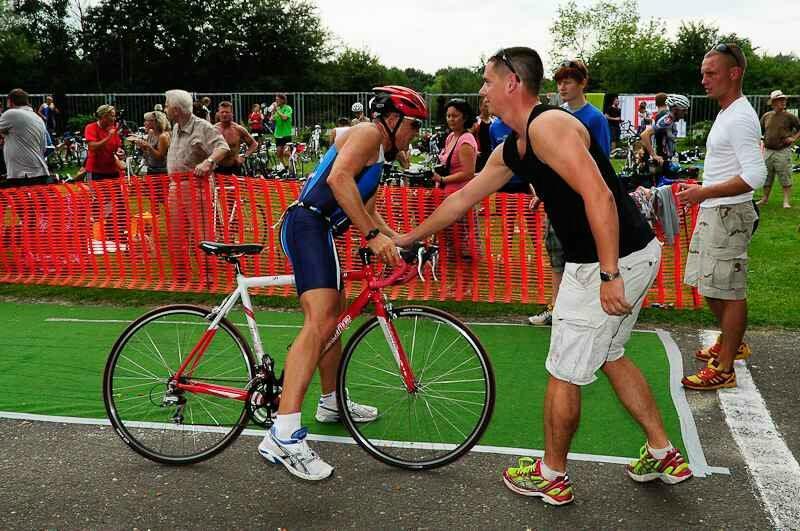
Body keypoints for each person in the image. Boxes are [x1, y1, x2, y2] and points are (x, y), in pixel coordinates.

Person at [394, 47, 692, 505]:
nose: (482, 90)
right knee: (610, 354)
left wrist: (609, 273)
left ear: (512, 83)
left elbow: (600, 196)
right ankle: (663, 452)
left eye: (487, 81)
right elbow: (461, 200)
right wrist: (406, 238)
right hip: (628, 256)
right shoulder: (514, 147)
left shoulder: (548, 126)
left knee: (563, 372)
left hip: (604, 264)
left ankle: (552, 474)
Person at [258, 85, 427, 481]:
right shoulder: (368, 133)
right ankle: (283, 434)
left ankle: (331, 401)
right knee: (320, 321)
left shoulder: (380, 155)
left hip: (319, 229)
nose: (416, 134)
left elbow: (367, 210)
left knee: (333, 318)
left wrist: (402, 241)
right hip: (308, 224)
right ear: (392, 119)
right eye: (414, 125)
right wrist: (372, 236)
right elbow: (338, 180)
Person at [678, 43, 767, 390]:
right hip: (716, 209)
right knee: (711, 286)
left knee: (728, 291)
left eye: (711, 73)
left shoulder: (741, 117)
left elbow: (755, 175)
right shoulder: (727, 111)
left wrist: (704, 192)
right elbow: (728, 166)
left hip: (729, 214)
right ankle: (733, 340)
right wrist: (702, 189)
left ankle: (726, 367)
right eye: (703, 73)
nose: (704, 80)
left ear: (734, 73)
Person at [530, 59, 612, 326]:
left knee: (585, 258)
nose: (562, 87)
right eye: (559, 82)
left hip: (584, 200)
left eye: (568, 82)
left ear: (582, 83)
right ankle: (556, 309)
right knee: (557, 257)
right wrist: (543, 191)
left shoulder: (595, 119)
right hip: (557, 199)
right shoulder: (555, 115)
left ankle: (586, 310)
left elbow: (602, 161)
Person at [164, 89, 230, 281]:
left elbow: (222, 147)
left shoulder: (202, 127)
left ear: (176, 110)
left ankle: (209, 276)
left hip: (196, 187)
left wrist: (208, 162)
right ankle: (181, 276)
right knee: (177, 234)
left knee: (203, 233)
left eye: (167, 106)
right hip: (175, 186)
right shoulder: (176, 127)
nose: (165, 109)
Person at [433, 98, 479, 263]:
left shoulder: (466, 141)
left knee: (462, 237)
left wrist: (443, 179)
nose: (451, 119)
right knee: (449, 235)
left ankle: (465, 266)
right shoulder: (450, 137)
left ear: (464, 117)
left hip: (461, 195)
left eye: (455, 116)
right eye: (448, 116)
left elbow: (468, 173)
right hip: (448, 195)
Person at [84, 104, 127, 248]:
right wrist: (108, 136)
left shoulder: (113, 129)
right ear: (103, 116)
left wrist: (120, 152)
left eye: (114, 115)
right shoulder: (91, 128)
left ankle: (117, 232)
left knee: (119, 202)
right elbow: (92, 147)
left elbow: (117, 147)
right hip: (96, 171)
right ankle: (93, 231)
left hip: (112, 170)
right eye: (111, 116)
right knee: (100, 202)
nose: (114, 118)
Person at [0, 89, 50, 187]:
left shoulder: (12, 114)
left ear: (10, 101)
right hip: (39, 172)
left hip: (23, 174)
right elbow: (43, 147)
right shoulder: (37, 117)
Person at [758, 90, 799, 208]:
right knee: (766, 176)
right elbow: (760, 130)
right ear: (773, 103)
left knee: (785, 175)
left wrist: (793, 138)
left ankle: (786, 201)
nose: (783, 102)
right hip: (767, 151)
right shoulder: (766, 116)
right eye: (780, 100)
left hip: (782, 151)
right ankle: (765, 198)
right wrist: (761, 139)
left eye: (784, 100)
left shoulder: (790, 116)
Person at [640, 94, 691, 169]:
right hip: (660, 162)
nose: (686, 113)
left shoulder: (671, 119)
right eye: (683, 110)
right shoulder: (667, 121)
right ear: (675, 110)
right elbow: (644, 135)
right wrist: (654, 155)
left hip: (666, 159)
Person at [214, 101, 258, 176]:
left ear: (232, 114)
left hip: (234, 167)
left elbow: (254, 144)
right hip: (216, 167)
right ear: (218, 113)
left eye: (227, 112)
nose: (224, 114)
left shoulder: (238, 129)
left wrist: (244, 156)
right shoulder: (213, 130)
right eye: (222, 112)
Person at [129, 111, 170, 175]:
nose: (144, 123)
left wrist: (148, 146)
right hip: (150, 168)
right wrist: (143, 147)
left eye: (146, 121)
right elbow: (147, 154)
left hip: (160, 171)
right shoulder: (151, 132)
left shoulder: (162, 136)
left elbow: (160, 157)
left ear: (155, 122)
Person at [271, 94, 293, 169]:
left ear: (283, 100)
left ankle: (292, 164)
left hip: (286, 134)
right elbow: (273, 120)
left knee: (286, 152)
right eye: (276, 100)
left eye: (278, 99)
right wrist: (272, 114)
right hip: (278, 134)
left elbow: (285, 118)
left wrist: (277, 110)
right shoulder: (277, 109)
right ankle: (285, 167)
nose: (276, 101)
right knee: (279, 153)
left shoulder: (288, 108)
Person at [473, 97, 493, 171]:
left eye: (489, 105)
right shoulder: (476, 121)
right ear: (480, 107)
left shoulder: (494, 121)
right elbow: (469, 137)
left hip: (491, 155)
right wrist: (475, 151)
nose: (488, 108)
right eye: (485, 106)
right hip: (480, 156)